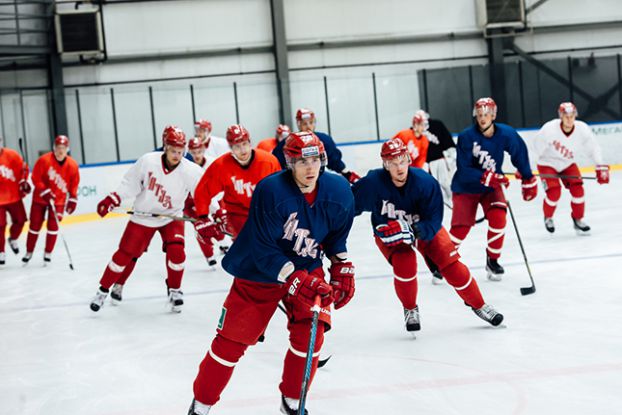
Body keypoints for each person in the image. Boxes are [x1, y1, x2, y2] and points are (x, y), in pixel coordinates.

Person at [188, 131, 356, 415]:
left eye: (315, 160)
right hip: (258, 271)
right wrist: (294, 279)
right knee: (231, 342)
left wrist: (341, 266)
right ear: (290, 163)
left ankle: (291, 400)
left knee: (311, 332)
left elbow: (336, 238)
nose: (310, 168)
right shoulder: (271, 190)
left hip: (306, 263)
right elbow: (263, 247)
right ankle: (201, 404)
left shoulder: (339, 191)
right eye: (302, 162)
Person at [352, 138, 503, 333]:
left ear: (408, 160)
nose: (399, 168)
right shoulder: (372, 183)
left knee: (451, 266)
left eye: (402, 161)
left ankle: (479, 304)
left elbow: (434, 219)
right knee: (405, 262)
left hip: (423, 225)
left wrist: (417, 231)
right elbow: (348, 208)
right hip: (390, 231)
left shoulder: (425, 182)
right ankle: (410, 309)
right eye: (393, 163)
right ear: (385, 165)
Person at [89, 126, 204, 313]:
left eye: (180, 151)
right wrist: (114, 198)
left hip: (171, 216)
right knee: (124, 255)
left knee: (177, 252)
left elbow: (204, 193)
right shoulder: (148, 161)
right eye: (173, 150)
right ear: (165, 147)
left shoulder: (190, 170)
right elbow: (130, 184)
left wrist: (213, 214)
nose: (177, 155)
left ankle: (175, 289)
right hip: (143, 216)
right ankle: (103, 290)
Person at [449, 97, 537, 281]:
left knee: (499, 218)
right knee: (461, 230)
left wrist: (527, 176)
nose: (483, 118)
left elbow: (519, 153)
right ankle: (443, 261)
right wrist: (485, 176)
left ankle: (493, 260)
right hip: (466, 187)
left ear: (493, 115)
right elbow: (463, 169)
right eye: (480, 114)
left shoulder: (506, 134)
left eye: (487, 114)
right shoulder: (466, 136)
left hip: (491, 187)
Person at [531, 102, 609, 234]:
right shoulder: (549, 129)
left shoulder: (582, 129)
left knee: (578, 190)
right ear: (561, 116)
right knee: (554, 192)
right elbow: (534, 149)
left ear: (575, 116)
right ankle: (548, 217)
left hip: (567, 163)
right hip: (547, 163)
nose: (569, 119)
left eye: (572, 115)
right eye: (566, 116)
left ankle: (578, 219)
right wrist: (526, 169)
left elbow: (593, 148)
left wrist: (600, 165)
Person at [193, 124, 281, 240]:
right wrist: (203, 217)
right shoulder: (221, 166)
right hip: (237, 214)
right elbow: (203, 190)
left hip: (265, 211)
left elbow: (280, 189)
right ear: (231, 148)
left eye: (244, 144)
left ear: (250, 143)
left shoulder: (269, 162)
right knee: (248, 245)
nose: (243, 150)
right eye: (237, 146)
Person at [22, 135, 80, 265]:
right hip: (40, 199)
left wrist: (73, 198)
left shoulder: (72, 165)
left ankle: (48, 252)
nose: (61, 151)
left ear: (67, 149)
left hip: (58, 200)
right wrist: (44, 190)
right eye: (58, 147)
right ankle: (29, 251)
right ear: (54, 148)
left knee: (53, 227)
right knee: (34, 226)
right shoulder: (44, 160)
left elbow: (74, 183)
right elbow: (35, 177)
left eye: (63, 148)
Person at [272, 108, 361, 184]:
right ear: (298, 124)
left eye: (311, 122)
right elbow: (277, 165)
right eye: (304, 123)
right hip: (294, 182)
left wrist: (347, 174)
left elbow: (335, 162)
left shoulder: (324, 140)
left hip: (317, 181)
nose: (308, 126)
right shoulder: (288, 142)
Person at [0, 136, 31, 265]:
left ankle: (13, 238)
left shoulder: (12, 155)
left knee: (21, 221)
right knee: (0, 226)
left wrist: (23, 180)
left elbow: (23, 170)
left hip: (14, 196)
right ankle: (1, 251)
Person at [420, 110, 457, 203]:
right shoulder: (415, 130)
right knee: (431, 184)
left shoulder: (437, 125)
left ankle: (452, 198)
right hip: (426, 163)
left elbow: (447, 140)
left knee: (444, 182)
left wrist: (451, 153)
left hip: (439, 160)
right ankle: (434, 201)